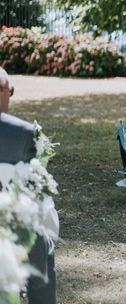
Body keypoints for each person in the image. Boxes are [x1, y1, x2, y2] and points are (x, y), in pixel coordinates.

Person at [0, 67, 57, 303]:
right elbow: (35, 191)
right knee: (40, 243)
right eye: (9, 91)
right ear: (2, 91)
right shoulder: (23, 134)